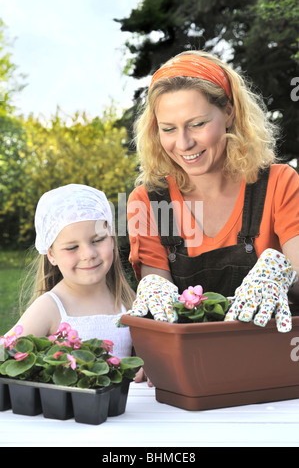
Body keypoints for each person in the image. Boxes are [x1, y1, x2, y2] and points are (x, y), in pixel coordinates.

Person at [126, 50, 299, 342]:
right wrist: (153, 286)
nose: (184, 143)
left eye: (197, 124)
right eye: (168, 129)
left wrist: (283, 275)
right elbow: (162, 321)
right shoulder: (149, 202)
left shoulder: (279, 183)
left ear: (229, 112)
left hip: (278, 354)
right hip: (195, 363)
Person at [6, 184, 135, 359]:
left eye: (98, 240)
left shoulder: (128, 302)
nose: (88, 254)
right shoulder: (49, 307)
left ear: (112, 240)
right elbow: (5, 354)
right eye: (72, 247)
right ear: (51, 255)